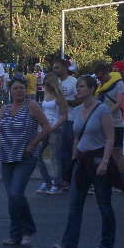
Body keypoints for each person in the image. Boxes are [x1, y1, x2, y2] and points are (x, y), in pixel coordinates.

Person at [0, 75, 50, 246]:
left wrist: (33, 144)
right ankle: (15, 234)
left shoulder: (32, 106)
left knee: (16, 193)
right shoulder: (4, 109)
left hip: (25, 157)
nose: (19, 91)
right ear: (10, 91)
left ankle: (29, 229)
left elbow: (47, 127)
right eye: (15, 88)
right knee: (11, 198)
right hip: (7, 156)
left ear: (26, 91)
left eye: (22, 88)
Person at [54, 75, 117, 248]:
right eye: (78, 87)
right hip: (81, 160)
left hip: (98, 159)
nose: (78, 89)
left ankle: (107, 242)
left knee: (104, 204)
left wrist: (105, 162)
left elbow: (110, 137)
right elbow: (77, 137)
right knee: (75, 204)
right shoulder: (76, 110)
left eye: (82, 87)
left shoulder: (102, 109)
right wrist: (74, 158)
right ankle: (69, 243)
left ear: (91, 89)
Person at [34, 72, 68, 194]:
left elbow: (64, 116)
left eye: (46, 84)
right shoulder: (46, 97)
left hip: (55, 130)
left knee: (54, 156)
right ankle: (46, 181)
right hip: (44, 128)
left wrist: (54, 127)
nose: (45, 86)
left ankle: (58, 183)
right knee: (37, 155)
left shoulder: (59, 98)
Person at [53, 59, 78, 189]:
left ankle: (68, 179)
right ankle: (62, 178)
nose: (55, 70)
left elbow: (80, 99)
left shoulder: (73, 82)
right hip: (57, 119)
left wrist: (66, 102)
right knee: (58, 151)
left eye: (57, 68)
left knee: (66, 149)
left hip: (70, 118)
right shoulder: (56, 82)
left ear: (63, 68)